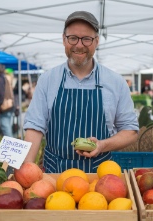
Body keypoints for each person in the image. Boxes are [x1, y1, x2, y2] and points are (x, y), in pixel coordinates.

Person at [23, 11, 139, 173]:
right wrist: (25, 172)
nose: (79, 45)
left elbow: (130, 130)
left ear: (96, 41)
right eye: (73, 38)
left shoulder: (115, 81)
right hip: (54, 175)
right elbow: (35, 127)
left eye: (86, 39)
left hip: (100, 177)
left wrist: (102, 145)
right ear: (64, 39)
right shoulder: (48, 80)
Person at [0, 63, 14, 137]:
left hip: (5, 106)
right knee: (8, 126)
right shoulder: (6, 78)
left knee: (6, 128)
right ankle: (12, 144)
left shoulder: (0, 79)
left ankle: (11, 146)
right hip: (10, 105)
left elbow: (0, 93)